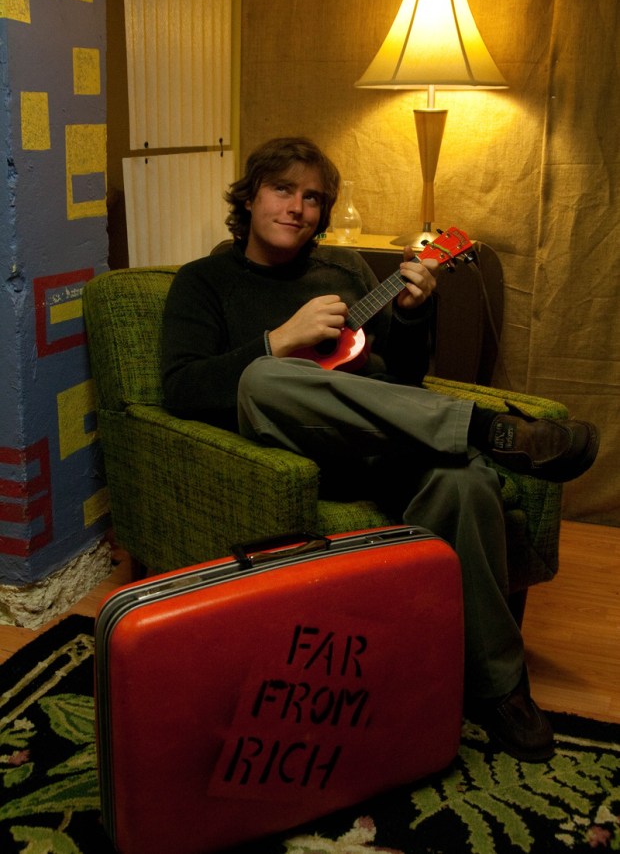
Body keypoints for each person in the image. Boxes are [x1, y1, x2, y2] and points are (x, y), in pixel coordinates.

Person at [162, 136, 599, 762]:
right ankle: (485, 428)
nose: (298, 208)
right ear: (251, 196)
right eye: (283, 190)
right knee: (263, 377)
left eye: (313, 198)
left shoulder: (343, 273)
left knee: (466, 485)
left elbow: (404, 379)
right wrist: (276, 341)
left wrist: (416, 315)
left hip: (387, 445)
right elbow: (180, 389)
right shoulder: (204, 283)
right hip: (296, 451)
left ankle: (499, 689)